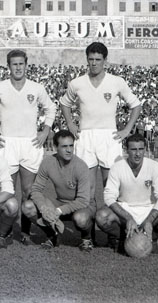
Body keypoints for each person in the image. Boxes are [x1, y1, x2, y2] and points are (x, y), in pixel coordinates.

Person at [60, 42, 142, 213]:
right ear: (87, 60)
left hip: (109, 137)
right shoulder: (77, 83)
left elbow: (136, 105)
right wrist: (70, 124)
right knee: (87, 188)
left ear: (105, 60)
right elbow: (64, 103)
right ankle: (88, 229)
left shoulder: (116, 82)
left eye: (98, 59)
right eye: (91, 59)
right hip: (85, 137)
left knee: (110, 186)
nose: (94, 63)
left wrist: (127, 129)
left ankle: (112, 227)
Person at [0, 49, 56, 245]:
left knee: (28, 191)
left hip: (30, 143)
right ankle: (6, 230)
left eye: (21, 64)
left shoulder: (36, 88)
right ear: (8, 66)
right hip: (7, 143)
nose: (18, 67)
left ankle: (25, 232)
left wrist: (45, 131)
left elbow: (51, 108)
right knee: (7, 191)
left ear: (26, 65)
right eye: (14, 64)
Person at [95, 133, 158, 254]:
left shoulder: (154, 166)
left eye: (141, 149)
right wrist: (128, 218)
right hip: (125, 209)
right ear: (126, 150)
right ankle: (122, 238)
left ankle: (151, 238)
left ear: (145, 149)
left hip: (146, 209)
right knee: (101, 216)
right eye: (133, 149)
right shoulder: (117, 167)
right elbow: (109, 197)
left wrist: (149, 221)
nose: (138, 153)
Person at [21, 130, 94, 251]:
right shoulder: (48, 162)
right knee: (27, 206)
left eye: (71, 146)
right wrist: (43, 208)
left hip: (82, 206)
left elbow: (83, 201)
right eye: (64, 146)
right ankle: (53, 234)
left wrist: (58, 211)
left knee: (81, 218)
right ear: (55, 147)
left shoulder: (81, 166)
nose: (69, 150)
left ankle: (86, 238)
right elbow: (36, 189)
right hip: (60, 202)